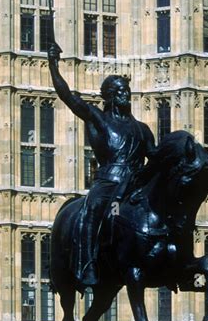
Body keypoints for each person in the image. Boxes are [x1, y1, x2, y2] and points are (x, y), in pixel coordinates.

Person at [48, 42, 156, 287]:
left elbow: (155, 157)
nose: (125, 94)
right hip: (109, 186)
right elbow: (67, 96)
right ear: (109, 96)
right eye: (119, 91)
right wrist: (53, 66)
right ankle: (87, 265)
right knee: (95, 210)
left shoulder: (142, 129)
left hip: (133, 187)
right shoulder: (99, 118)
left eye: (126, 90)